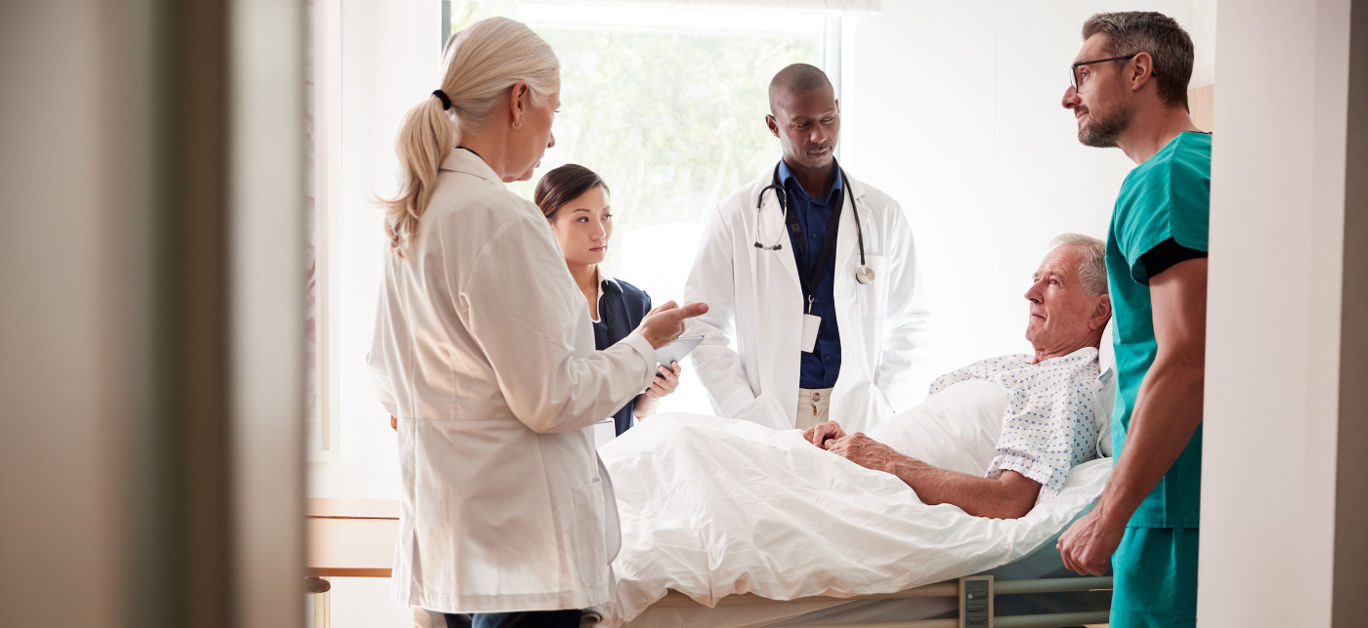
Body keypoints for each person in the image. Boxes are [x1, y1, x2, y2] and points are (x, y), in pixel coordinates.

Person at [366, 17, 706, 628]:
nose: (552, 140)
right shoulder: (502, 220)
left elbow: (387, 378)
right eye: (553, 111)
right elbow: (551, 398)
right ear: (519, 101)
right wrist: (644, 344)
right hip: (520, 560)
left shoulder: (416, 214)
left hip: (447, 546)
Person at [1053, 12, 1209, 628]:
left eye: (1083, 74)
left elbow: (1187, 358)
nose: (1070, 95)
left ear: (1139, 70)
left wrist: (1109, 514)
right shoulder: (1209, 165)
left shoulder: (1164, 179)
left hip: (1171, 503)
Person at [684, 63, 930, 434]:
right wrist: (742, 408)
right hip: (772, 411)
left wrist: (885, 403)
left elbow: (912, 319)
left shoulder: (881, 212)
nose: (819, 135)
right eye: (802, 124)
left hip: (856, 412)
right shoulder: (735, 215)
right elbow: (701, 323)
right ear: (773, 125)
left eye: (828, 119)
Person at [804, 235, 1113, 519]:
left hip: (867, 497)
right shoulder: (1022, 366)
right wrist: (852, 443)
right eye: (1036, 280)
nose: (1030, 294)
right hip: (847, 472)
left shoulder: (1064, 385)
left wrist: (885, 462)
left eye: (1054, 282)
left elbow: (1009, 500)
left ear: (1100, 311)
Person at [534, 164, 682, 436]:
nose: (600, 232)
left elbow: (638, 412)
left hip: (617, 464)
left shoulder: (635, 302)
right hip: (560, 463)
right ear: (547, 224)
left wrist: (655, 393)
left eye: (606, 216)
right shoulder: (534, 304)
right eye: (583, 219)